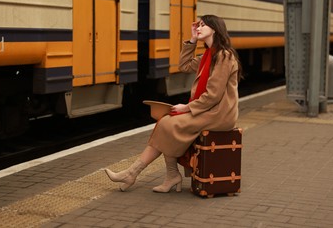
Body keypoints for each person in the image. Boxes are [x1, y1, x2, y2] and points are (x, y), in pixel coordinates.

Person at [104, 14, 242, 193]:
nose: (198, 28)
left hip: (219, 114)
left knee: (168, 124)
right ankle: (162, 175)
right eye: (198, 26)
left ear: (214, 29)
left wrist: (186, 107)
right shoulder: (209, 55)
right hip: (208, 110)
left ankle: (135, 173)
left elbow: (214, 96)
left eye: (202, 25)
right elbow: (184, 66)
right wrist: (192, 40)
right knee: (165, 122)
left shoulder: (223, 56)